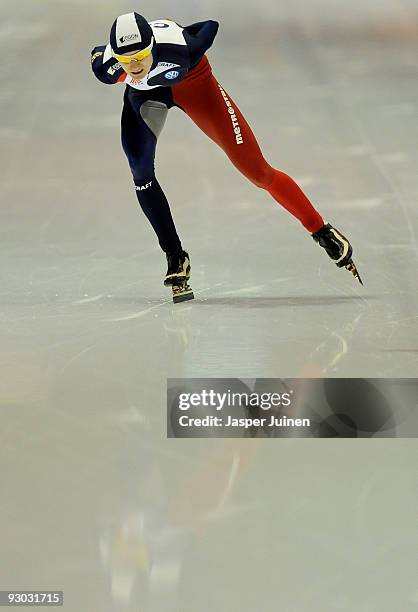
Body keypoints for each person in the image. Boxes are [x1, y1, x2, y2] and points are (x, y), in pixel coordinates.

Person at [91, 12, 362, 302]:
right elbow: (97, 54)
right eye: (125, 59)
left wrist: (183, 30)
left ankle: (322, 231)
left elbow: (210, 27)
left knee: (258, 172)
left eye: (140, 56)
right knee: (140, 172)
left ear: (152, 47)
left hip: (195, 83)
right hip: (145, 97)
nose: (134, 66)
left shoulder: (182, 50)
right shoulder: (107, 68)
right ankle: (175, 256)